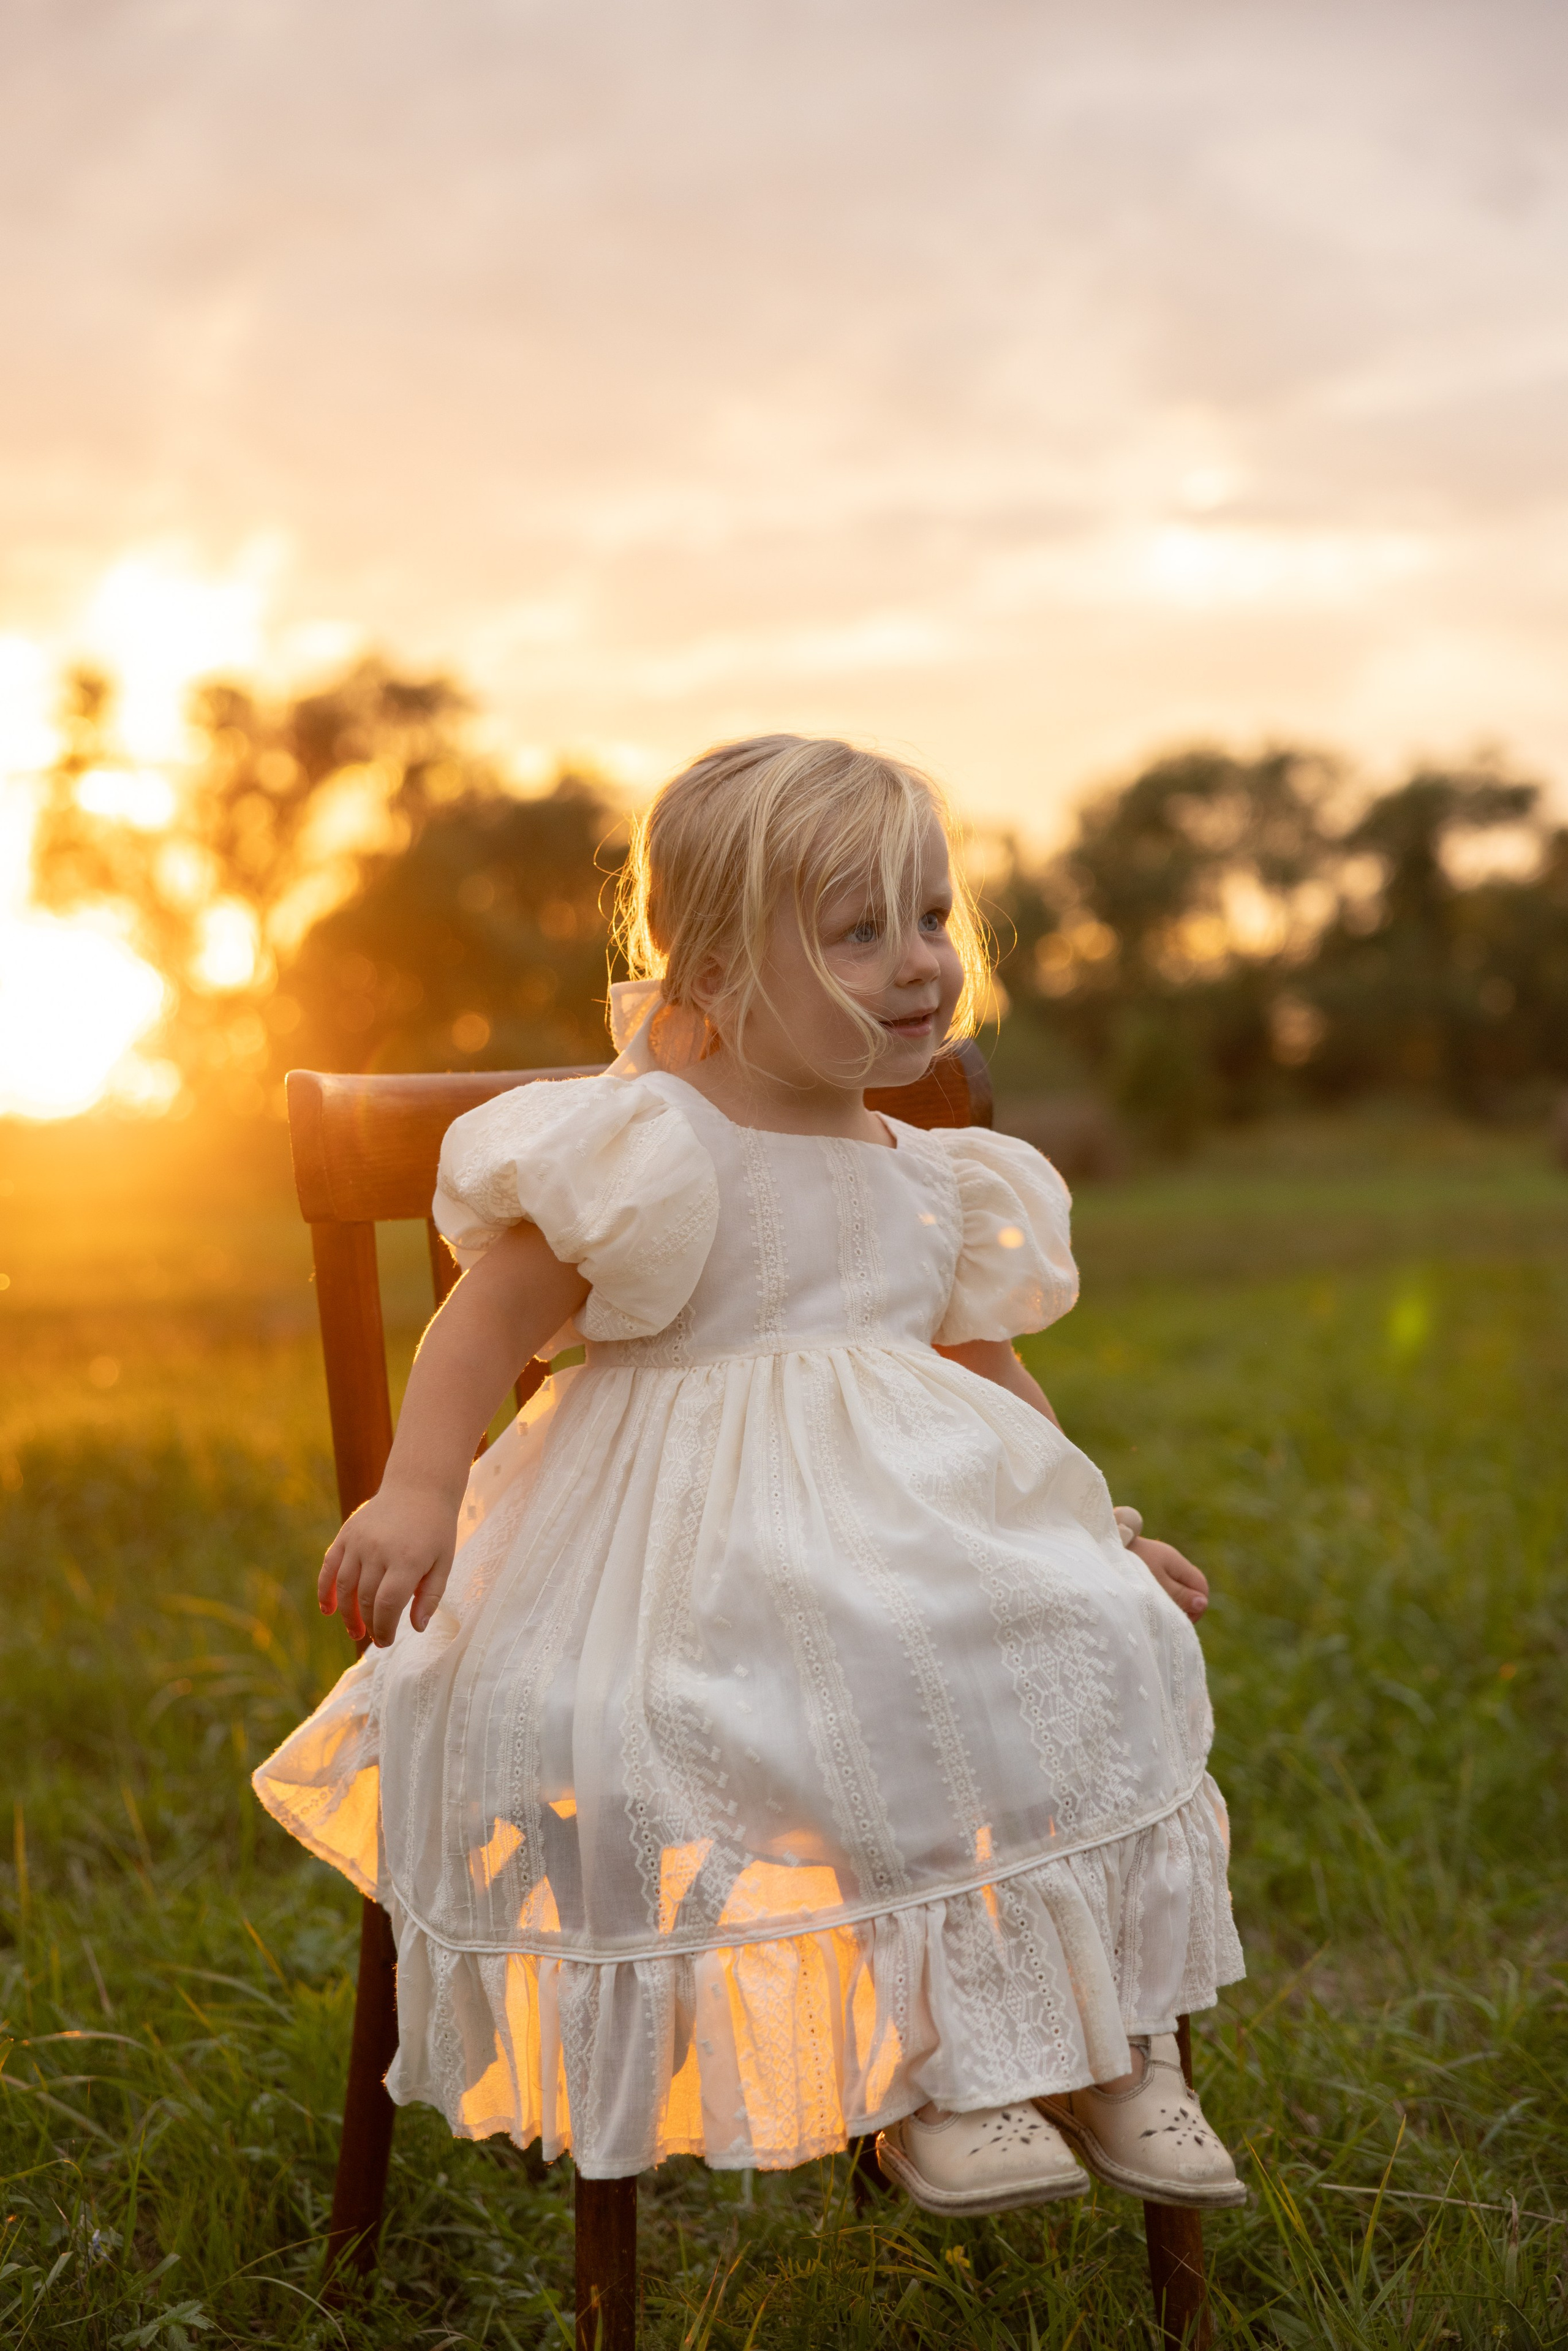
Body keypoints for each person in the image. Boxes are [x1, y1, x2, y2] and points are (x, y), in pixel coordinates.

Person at [254, 734, 1245, 2217]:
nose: (918, 963)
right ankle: (938, 2071)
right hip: (681, 1555)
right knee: (843, 1662)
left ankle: (1109, 2041)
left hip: (907, 1531)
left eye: (927, 916)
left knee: (1097, 1630)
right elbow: (482, 1326)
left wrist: (1091, 1525)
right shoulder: (651, 1142)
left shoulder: (925, 1171)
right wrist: (413, 1489)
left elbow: (988, 1386)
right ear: (710, 970)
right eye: (857, 931)